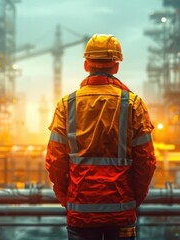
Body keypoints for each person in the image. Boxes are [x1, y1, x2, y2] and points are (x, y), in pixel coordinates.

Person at [45, 34, 157, 240]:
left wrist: (68, 199)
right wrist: (133, 199)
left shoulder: (66, 104)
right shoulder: (133, 104)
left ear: (86, 65)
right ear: (116, 67)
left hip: (80, 211)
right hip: (122, 211)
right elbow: (146, 161)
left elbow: (55, 161)